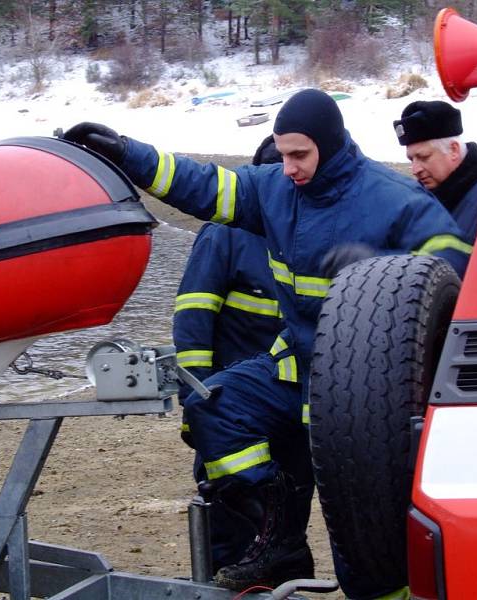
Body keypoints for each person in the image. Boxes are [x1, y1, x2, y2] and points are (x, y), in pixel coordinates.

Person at [63, 88, 472, 594]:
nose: (289, 168)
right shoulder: (274, 191)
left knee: (366, 548)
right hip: (292, 368)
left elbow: (457, 278)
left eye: (300, 155)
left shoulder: (398, 203)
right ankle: (276, 533)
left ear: (332, 144)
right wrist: (127, 153)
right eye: (282, 155)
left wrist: (384, 273)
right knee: (215, 407)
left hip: (364, 392)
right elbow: (199, 185)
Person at [174, 135, 313, 574]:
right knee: (230, 518)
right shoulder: (225, 234)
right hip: (231, 405)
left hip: (289, 400)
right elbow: (193, 319)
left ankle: (284, 573)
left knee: (291, 504)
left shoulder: (306, 234)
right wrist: (197, 401)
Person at [393, 100, 477, 245]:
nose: (415, 170)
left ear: (454, 150)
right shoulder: (421, 201)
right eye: (411, 159)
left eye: (424, 157)